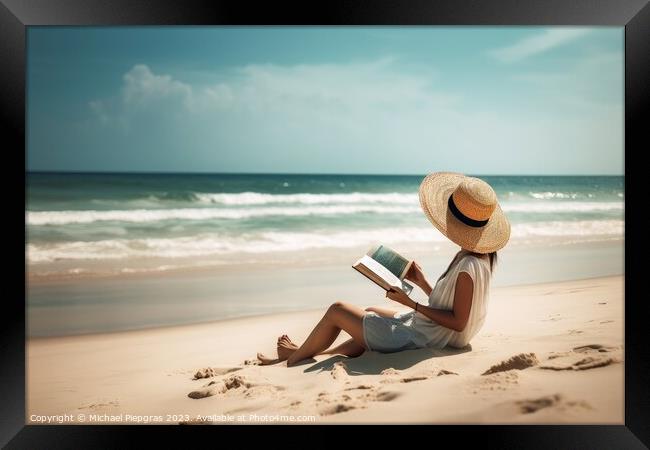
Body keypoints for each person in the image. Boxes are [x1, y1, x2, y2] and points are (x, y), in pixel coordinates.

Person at [257, 172, 511, 367]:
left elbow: (458, 321)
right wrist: (422, 283)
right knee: (369, 312)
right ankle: (317, 352)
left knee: (337, 310)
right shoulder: (478, 258)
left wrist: (410, 303)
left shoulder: (467, 265)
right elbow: (453, 307)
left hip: (427, 336)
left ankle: (292, 359)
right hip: (433, 332)